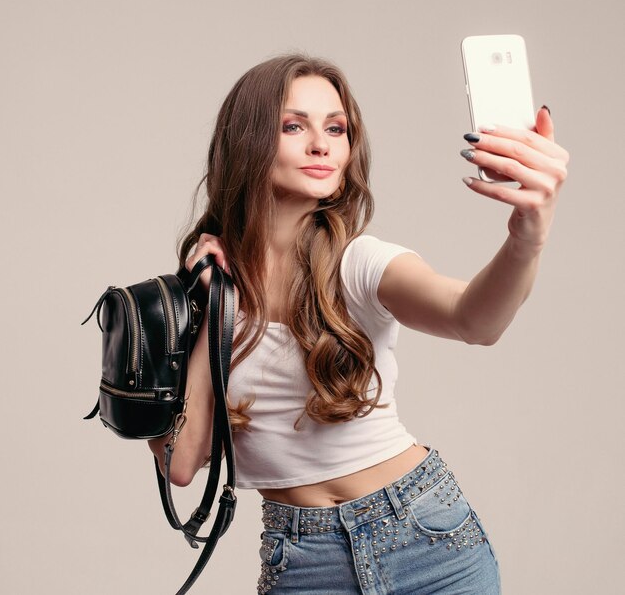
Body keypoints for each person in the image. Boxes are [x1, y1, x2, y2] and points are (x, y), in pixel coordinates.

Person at [149, 53, 569, 594]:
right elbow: (181, 465)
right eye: (293, 125)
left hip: (426, 539)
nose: (321, 144)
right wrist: (215, 311)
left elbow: (474, 319)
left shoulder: (360, 262)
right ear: (247, 140)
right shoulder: (196, 293)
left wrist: (526, 238)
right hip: (302, 561)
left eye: (336, 128)